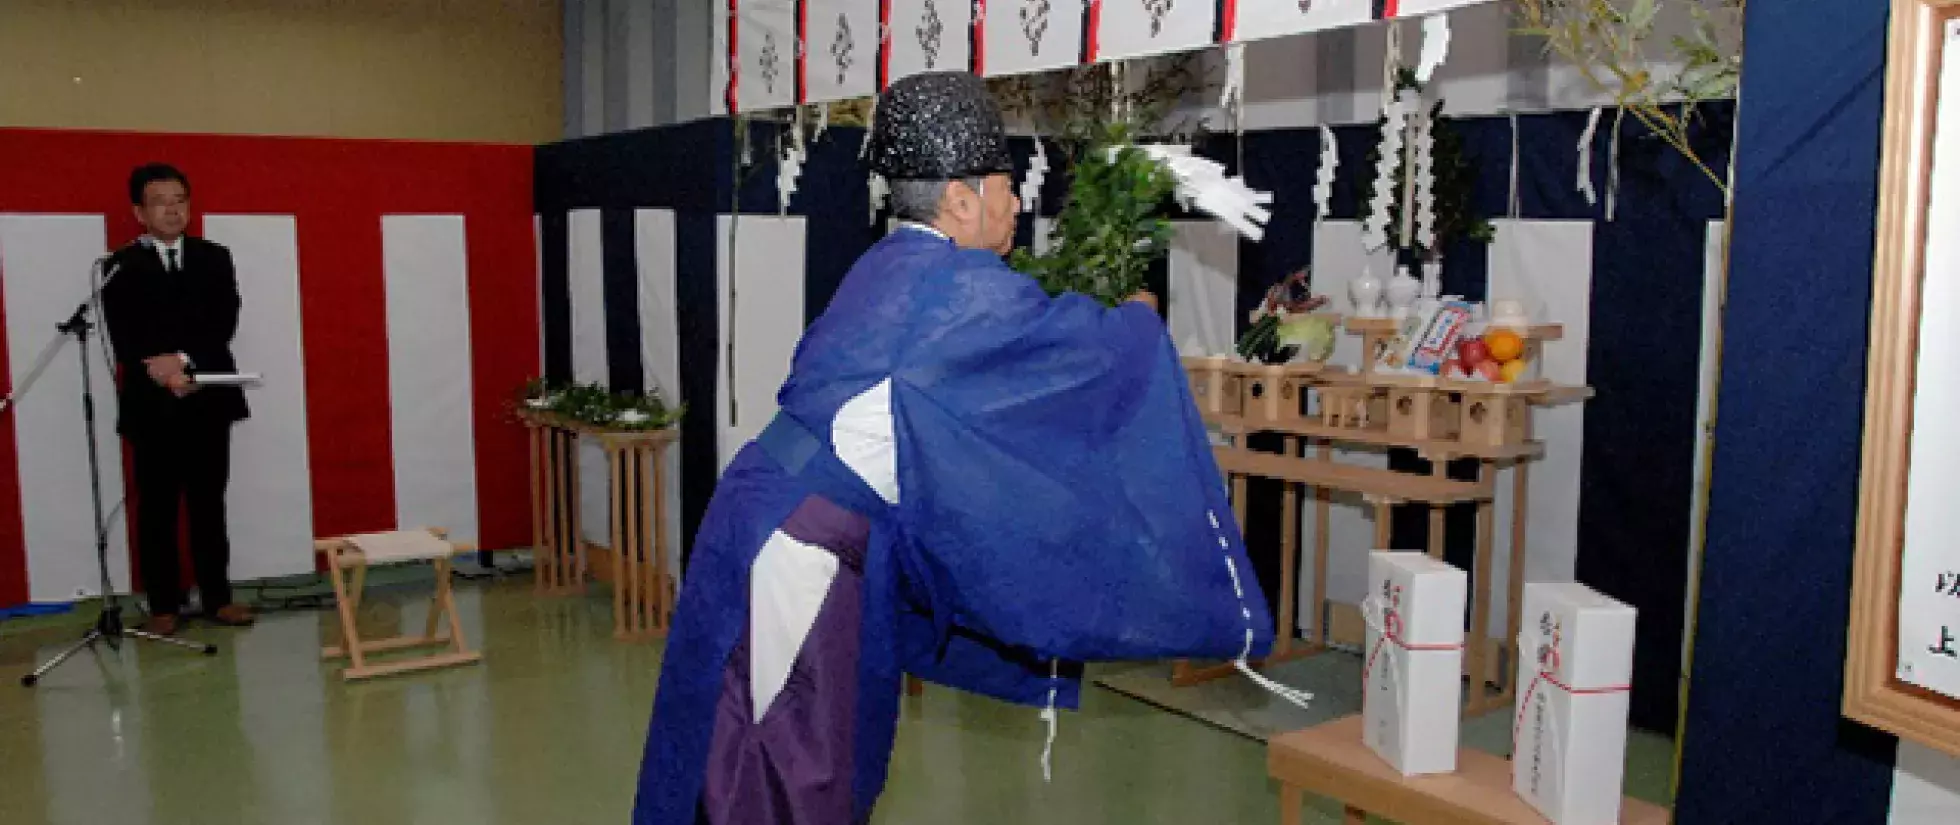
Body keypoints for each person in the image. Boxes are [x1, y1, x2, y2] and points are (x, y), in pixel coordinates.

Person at [632, 72, 1274, 825]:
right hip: (802, 547)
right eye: (1005, 187)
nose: (1016, 204)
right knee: (779, 772)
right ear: (960, 199)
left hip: (770, 511)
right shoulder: (955, 287)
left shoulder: (892, 266)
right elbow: (1085, 362)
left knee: (742, 743)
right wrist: (1136, 321)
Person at [99, 163, 253, 636]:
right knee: (158, 507)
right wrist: (162, 370)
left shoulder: (215, 257)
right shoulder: (119, 265)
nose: (173, 209)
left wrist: (184, 360)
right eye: (161, 201)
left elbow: (222, 321)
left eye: (180, 199)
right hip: (152, 404)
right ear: (139, 212)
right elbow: (125, 336)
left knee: (210, 502)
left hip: (207, 396)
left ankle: (217, 597)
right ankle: (163, 603)